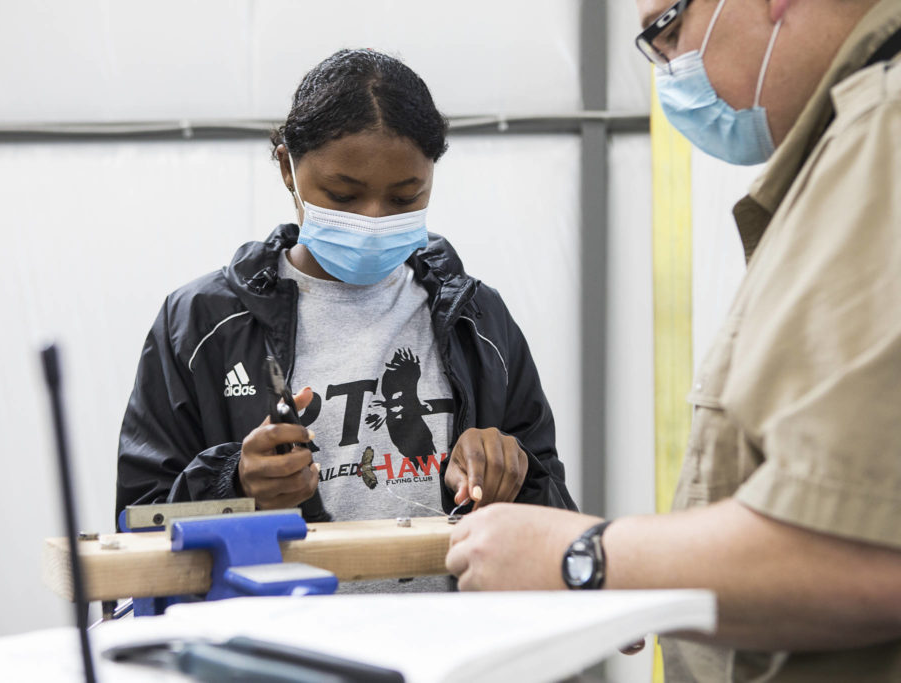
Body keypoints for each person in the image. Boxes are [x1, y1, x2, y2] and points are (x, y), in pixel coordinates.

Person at [446, 0, 901, 679]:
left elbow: (862, 550)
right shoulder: (850, 145)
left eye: (667, 31)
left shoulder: (883, 132)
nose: (670, 71)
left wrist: (587, 557)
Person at [116, 48, 577, 592]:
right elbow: (137, 529)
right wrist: (234, 485)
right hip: (280, 661)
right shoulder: (202, 324)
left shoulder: (476, 319)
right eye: (343, 195)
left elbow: (552, 515)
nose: (373, 220)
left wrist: (510, 469)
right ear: (287, 166)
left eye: (406, 198)